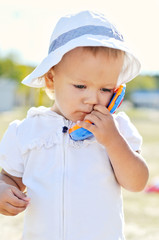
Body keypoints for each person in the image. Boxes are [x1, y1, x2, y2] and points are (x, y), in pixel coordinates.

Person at [0, 10, 149, 240]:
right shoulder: (27, 131)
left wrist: (113, 141)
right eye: (80, 86)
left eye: (105, 89)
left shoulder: (116, 128)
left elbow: (137, 182)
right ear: (51, 79)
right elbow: (9, 178)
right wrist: (2, 191)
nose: (92, 99)